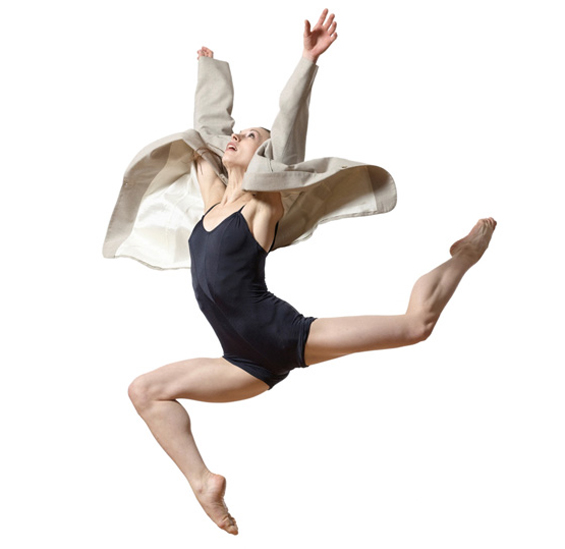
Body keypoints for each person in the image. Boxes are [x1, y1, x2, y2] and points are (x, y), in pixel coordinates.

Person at [125, 10, 496, 536]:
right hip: (242, 362)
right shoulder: (212, 201)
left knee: (416, 325)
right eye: (239, 133)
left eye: (251, 137)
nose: (238, 137)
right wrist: (211, 73)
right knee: (145, 391)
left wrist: (307, 61)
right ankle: (204, 483)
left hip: (282, 334)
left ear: (266, 157)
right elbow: (207, 136)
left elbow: (287, 133)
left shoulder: (261, 205)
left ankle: (463, 255)